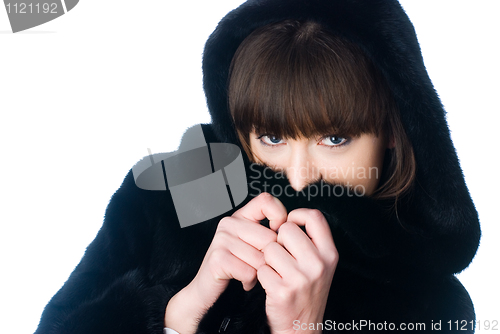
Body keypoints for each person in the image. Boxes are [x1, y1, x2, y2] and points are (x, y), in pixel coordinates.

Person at [34, 0, 480, 333]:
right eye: (273, 137)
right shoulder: (164, 200)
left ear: (392, 133)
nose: (299, 176)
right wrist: (177, 316)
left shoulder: (432, 308)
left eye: (335, 139)